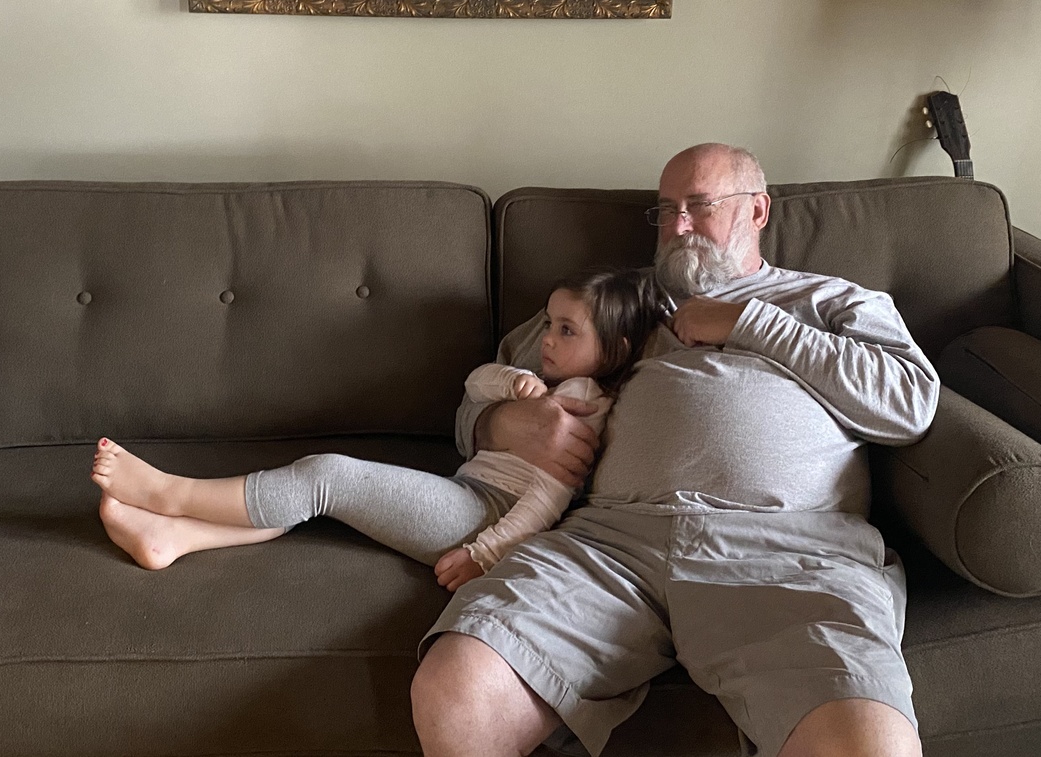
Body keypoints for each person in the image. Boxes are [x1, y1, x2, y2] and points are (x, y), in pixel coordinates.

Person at [411, 143, 941, 757]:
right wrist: (506, 423)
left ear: (758, 212)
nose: (679, 226)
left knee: (870, 747)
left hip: (792, 555)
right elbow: (472, 404)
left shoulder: (829, 300)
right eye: (666, 211)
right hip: (607, 548)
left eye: (700, 205)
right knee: (455, 686)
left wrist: (749, 323)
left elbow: (910, 404)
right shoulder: (614, 303)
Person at [89, 267, 661, 589]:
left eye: (567, 331)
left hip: (482, 516)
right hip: (467, 492)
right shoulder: (543, 380)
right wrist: (512, 383)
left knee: (327, 477)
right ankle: (177, 537)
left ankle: (169, 491)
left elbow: (545, 501)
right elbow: (475, 385)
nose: (549, 341)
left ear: (613, 349)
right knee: (317, 504)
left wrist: (485, 555)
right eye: (550, 325)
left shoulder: (585, 412)